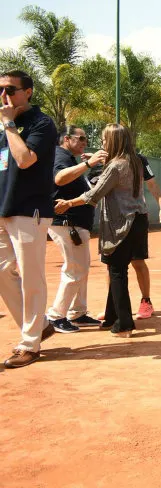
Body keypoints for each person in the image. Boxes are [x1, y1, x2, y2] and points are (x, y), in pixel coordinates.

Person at [55, 123, 148, 339]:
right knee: (117, 269)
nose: (102, 143)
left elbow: (93, 195)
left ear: (113, 142)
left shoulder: (115, 166)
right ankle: (110, 317)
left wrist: (68, 203)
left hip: (121, 224)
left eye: (105, 140)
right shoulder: (134, 162)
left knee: (117, 272)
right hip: (137, 221)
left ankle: (124, 324)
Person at [0, 70, 58, 368]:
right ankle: (40, 325)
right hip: (4, 210)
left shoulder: (41, 123)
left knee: (31, 277)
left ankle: (30, 344)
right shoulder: (3, 128)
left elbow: (24, 160)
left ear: (28, 92)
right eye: (1, 90)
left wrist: (9, 124)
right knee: (3, 274)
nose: (4, 96)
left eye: (10, 89)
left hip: (29, 210)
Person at [94, 154, 161, 322]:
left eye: (106, 139)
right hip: (112, 221)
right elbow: (95, 187)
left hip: (135, 218)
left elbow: (152, 184)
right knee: (111, 265)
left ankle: (146, 302)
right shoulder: (102, 160)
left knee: (137, 260)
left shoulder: (139, 160)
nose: (104, 143)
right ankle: (113, 307)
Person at [48, 125, 105, 333]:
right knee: (74, 269)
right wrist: (88, 164)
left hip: (76, 223)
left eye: (85, 139)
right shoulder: (60, 155)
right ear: (65, 139)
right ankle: (55, 316)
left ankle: (78, 313)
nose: (84, 142)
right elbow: (59, 178)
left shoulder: (69, 158)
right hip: (66, 222)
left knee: (81, 268)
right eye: (80, 138)